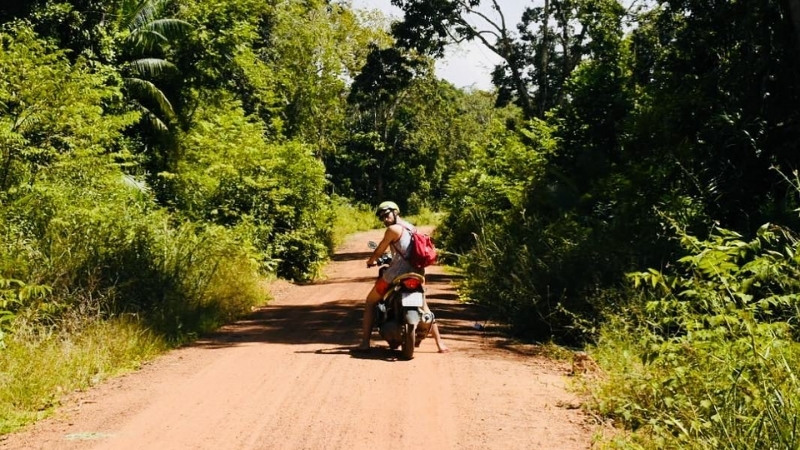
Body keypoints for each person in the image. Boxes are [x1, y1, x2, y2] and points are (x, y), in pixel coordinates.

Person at [357, 201, 450, 353]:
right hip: (418, 274)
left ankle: (365, 343)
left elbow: (380, 250)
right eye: (382, 218)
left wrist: (371, 261)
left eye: (386, 215)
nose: (385, 220)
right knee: (424, 306)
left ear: (395, 212)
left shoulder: (393, 229)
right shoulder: (412, 228)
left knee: (370, 302)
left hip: (395, 274)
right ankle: (440, 344)